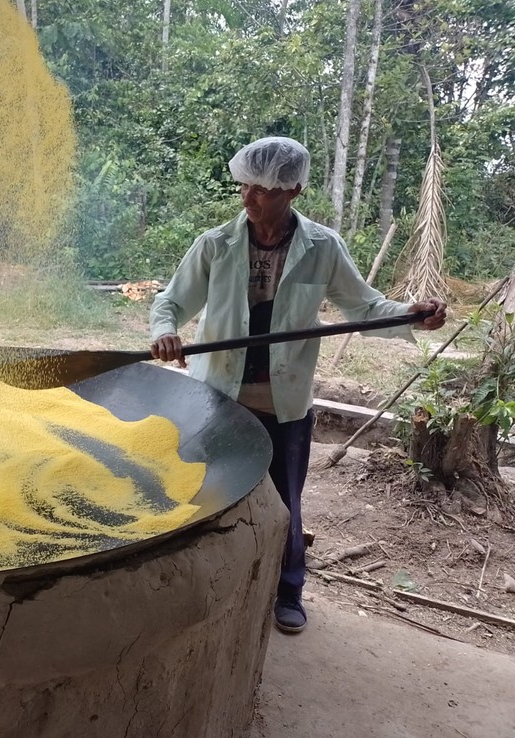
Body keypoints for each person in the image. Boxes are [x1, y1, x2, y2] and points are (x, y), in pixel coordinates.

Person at [149, 137, 446, 634]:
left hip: (283, 400)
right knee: (202, 490)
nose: (249, 197)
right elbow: (171, 303)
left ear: (294, 190)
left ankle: (287, 590)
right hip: (216, 397)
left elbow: (365, 308)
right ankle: (202, 587)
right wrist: (164, 333)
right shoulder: (215, 245)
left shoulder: (322, 248)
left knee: (286, 500)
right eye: (245, 185)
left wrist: (409, 316)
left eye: (262, 190)